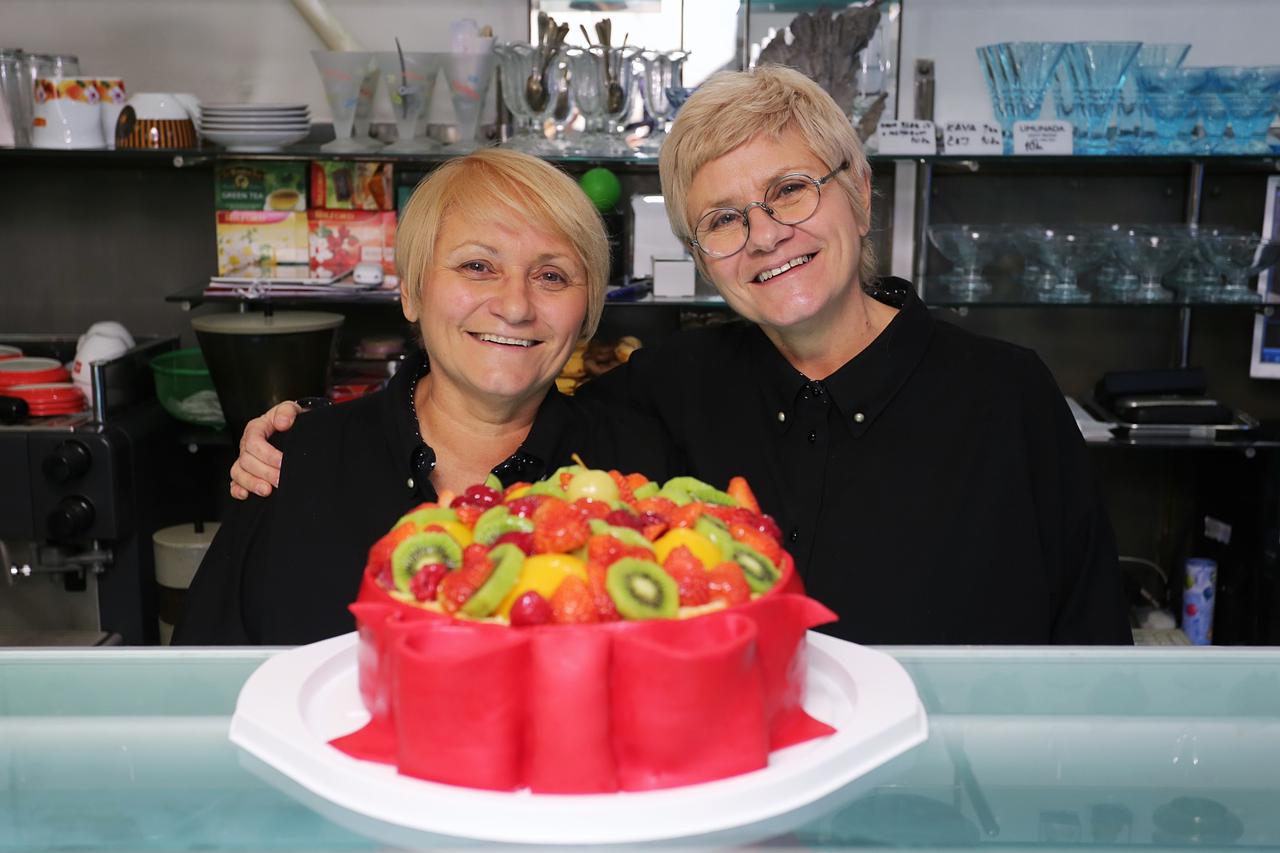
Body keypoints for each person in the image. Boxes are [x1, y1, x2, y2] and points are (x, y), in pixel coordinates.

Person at [226, 66, 1132, 645]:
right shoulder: (670, 394)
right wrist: (295, 433)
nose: (766, 234)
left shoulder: (1006, 397)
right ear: (701, 257)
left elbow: (1092, 648)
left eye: (790, 190)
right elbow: (501, 384)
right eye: (724, 220)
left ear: (859, 191)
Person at [173, 149, 678, 645]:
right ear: (412, 292)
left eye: (552, 276)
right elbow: (207, 682)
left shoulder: (643, 470)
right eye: (478, 266)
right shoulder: (292, 461)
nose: (516, 306)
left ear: (588, 309)